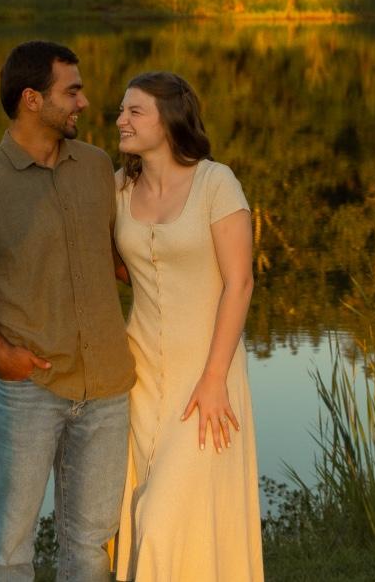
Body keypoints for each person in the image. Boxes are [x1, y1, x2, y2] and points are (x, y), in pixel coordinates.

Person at [0, 40, 136, 582]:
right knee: (7, 552)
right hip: (27, 393)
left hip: (108, 391)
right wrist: (1, 356)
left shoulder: (95, 168)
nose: (84, 103)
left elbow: (119, 256)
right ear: (31, 100)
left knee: (92, 549)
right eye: (71, 91)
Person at [111, 71, 263, 581]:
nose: (120, 120)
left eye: (135, 111)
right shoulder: (119, 187)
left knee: (162, 520)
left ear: (169, 119)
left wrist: (215, 377)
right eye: (121, 110)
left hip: (206, 377)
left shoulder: (215, 183)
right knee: (136, 511)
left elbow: (239, 283)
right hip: (140, 380)